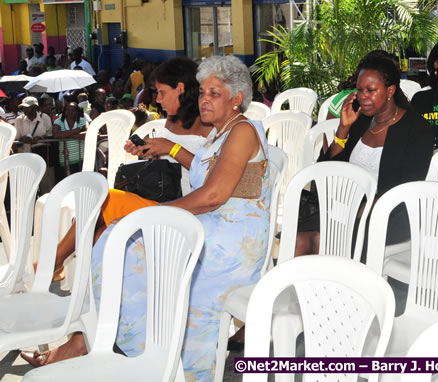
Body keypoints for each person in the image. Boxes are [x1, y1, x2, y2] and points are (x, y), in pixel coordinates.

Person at [22, 57, 272, 381]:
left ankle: (154, 356)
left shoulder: (242, 130)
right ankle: (141, 349)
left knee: (126, 245)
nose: (204, 99)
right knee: (118, 242)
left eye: (215, 93)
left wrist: (157, 215)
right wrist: (170, 147)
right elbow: (209, 169)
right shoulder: (222, 134)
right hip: (211, 227)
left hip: (229, 242)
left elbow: (213, 194)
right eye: (203, 92)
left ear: (237, 98)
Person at [324, 54, 434, 247]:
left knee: (320, 239)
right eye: (359, 90)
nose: (362, 96)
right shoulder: (362, 122)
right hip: (348, 209)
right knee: (302, 236)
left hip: (391, 217)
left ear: (390, 90)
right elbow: (330, 169)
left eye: (371, 90)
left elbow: (406, 188)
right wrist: (343, 128)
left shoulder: (416, 129)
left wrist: (358, 211)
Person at [52, 102, 87, 182]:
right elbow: (56, 134)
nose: (70, 112)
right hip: (65, 159)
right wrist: (77, 131)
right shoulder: (59, 121)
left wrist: (67, 135)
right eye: (68, 110)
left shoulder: (82, 121)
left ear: (77, 111)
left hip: (81, 157)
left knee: (81, 182)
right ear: (64, 111)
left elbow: (87, 134)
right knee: (68, 183)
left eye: (73, 110)